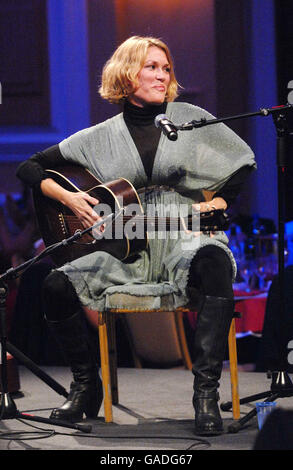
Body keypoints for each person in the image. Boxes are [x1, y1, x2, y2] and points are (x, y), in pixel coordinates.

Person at [16, 36, 256, 435]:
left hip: (183, 234)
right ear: (127, 74)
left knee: (215, 262)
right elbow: (30, 167)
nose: (162, 75)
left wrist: (221, 203)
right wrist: (72, 198)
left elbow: (242, 160)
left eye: (166, 68)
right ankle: (86, 386)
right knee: (55, 284)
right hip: (125, 244)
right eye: (152, 67)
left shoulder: (187, 118)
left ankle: (206, 394)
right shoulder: (100, 135)